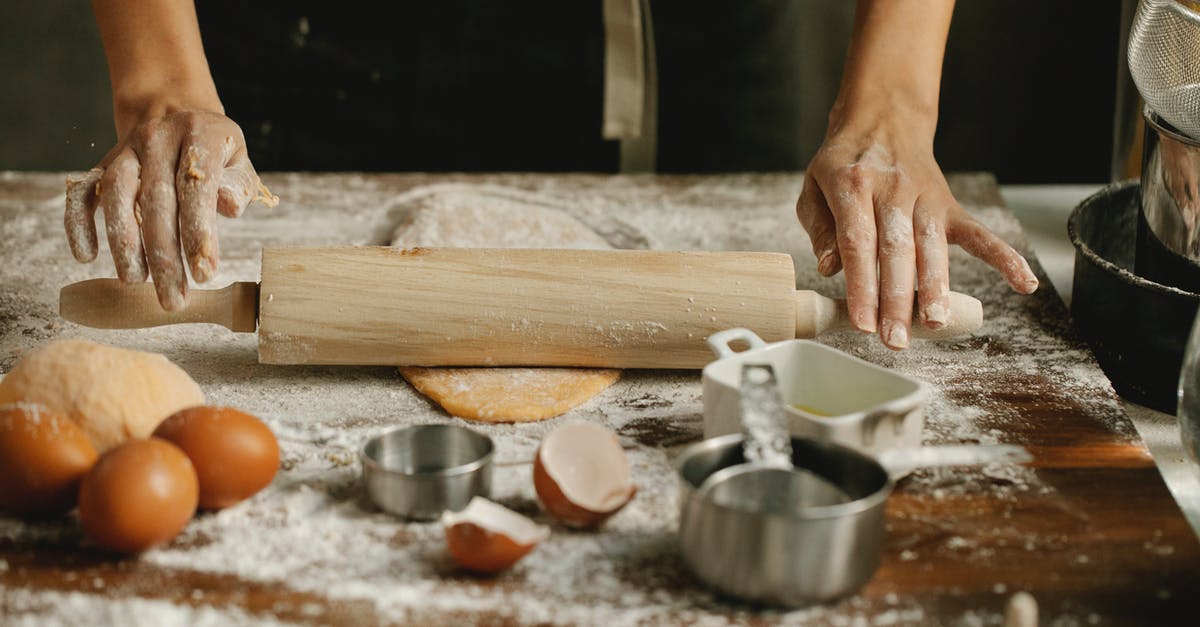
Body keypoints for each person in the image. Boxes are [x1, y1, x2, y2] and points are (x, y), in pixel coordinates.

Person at [65, 0, 1037, 349]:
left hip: (665, 31)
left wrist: (894, 104)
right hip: (316, 30)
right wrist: (161, 79)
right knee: (300, 253)